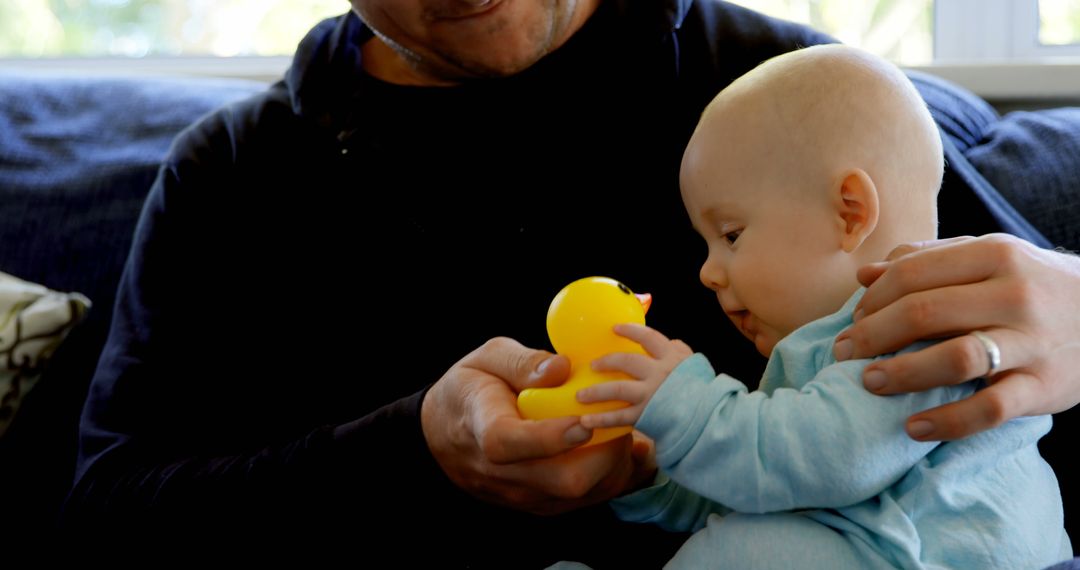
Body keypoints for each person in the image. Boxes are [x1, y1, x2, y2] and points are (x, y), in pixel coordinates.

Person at [61, 0, 1080, 566]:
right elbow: (112, 513)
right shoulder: (234, 174)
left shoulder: (783, 90)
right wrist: (414, 448)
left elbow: (1008, 379)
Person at [569, 44, 1071, 568]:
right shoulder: (822, 345)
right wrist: (651, 471)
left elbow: (833, 462)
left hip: (921, 555)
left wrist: (689, 409)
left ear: (849, 214)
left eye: (732, 235)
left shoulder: (929, 323)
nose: (707, 273)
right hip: (869, 543)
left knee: (742, 553)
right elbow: (769, 484)